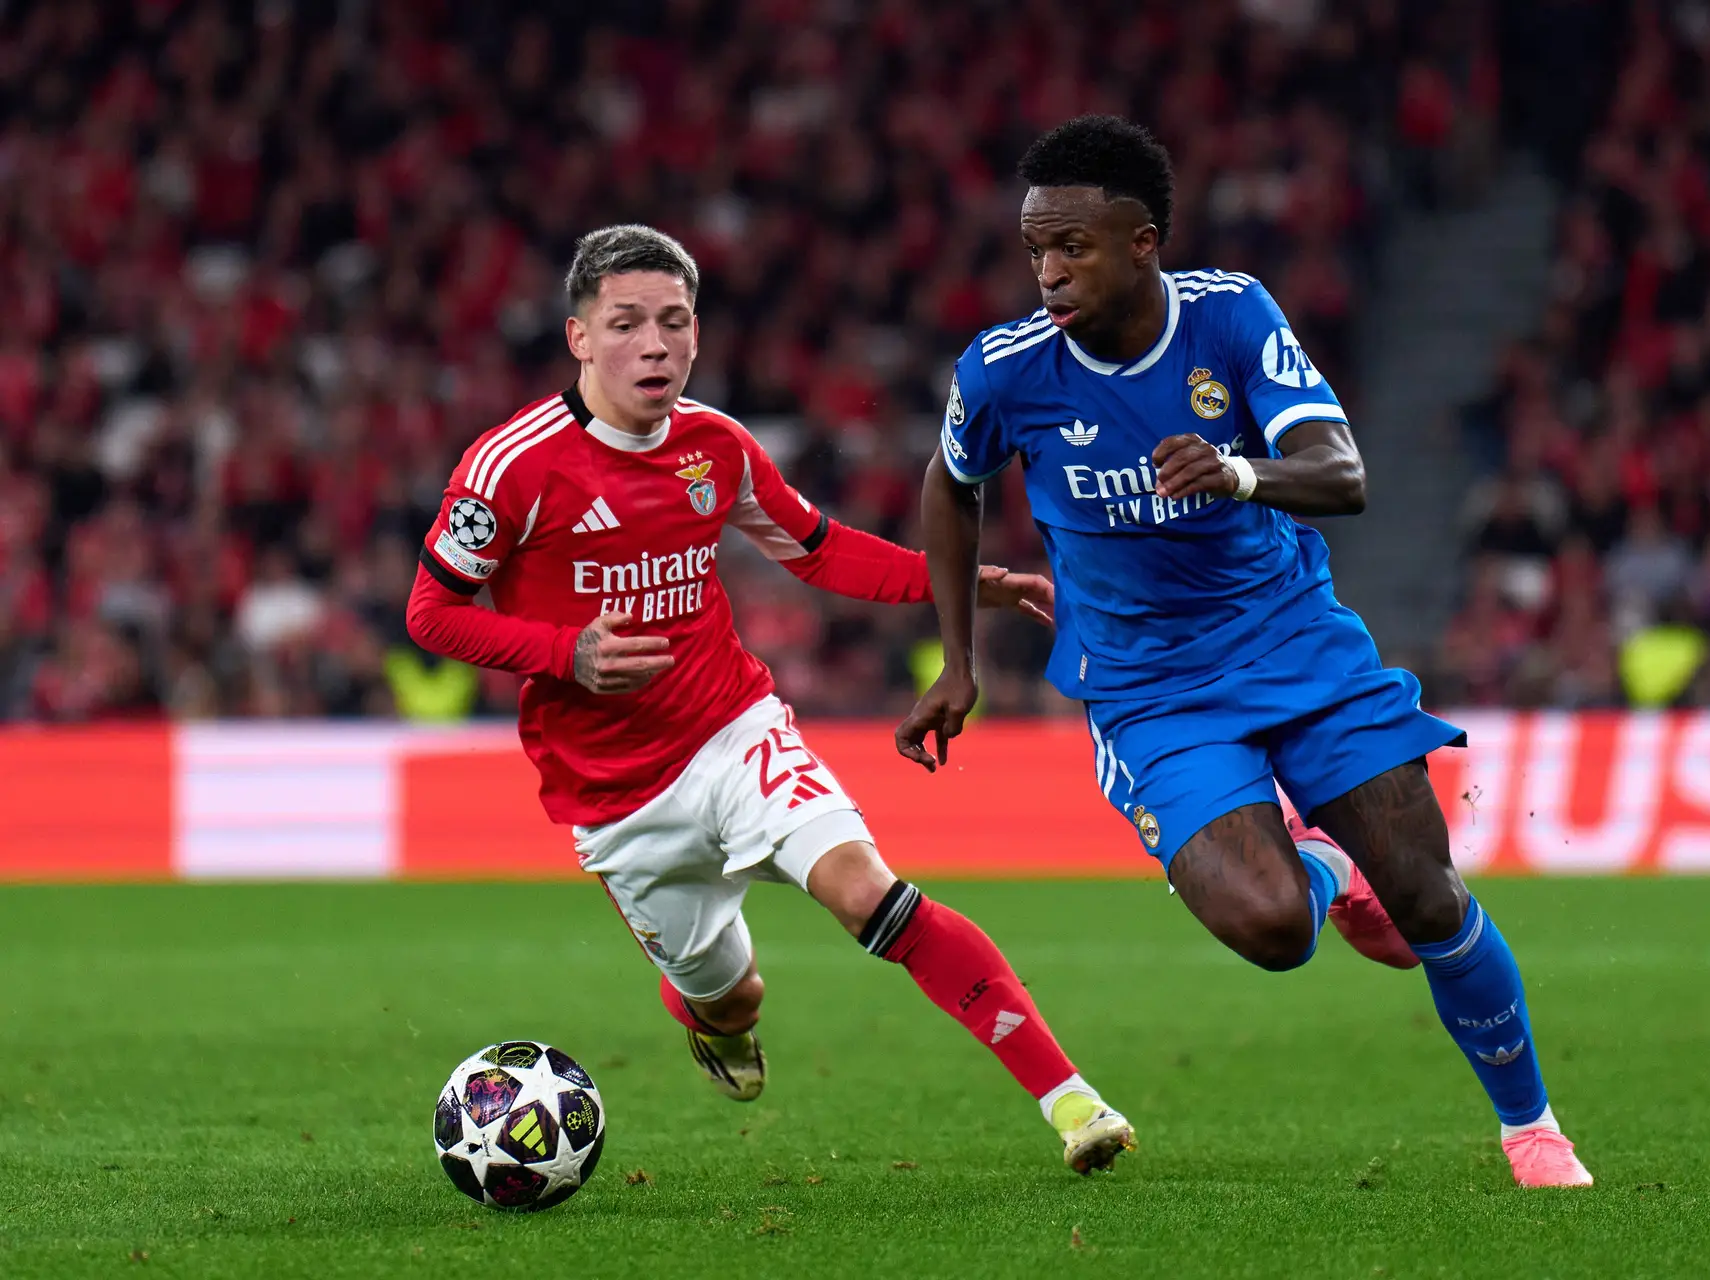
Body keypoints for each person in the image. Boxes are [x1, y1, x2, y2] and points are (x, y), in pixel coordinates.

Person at [898, 117, 1591, 1188]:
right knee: (1274, 928)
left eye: (1071, 246)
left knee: (1427, 897)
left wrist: (1234, 471)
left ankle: (1533, 1129)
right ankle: (1322, 865)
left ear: (1142, 243)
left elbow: (1341, 470)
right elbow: (952, 482)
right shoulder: (1005, 371)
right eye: (1035, 248)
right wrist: (958, 659)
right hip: (1149, 689)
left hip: (1296, 643)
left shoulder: (1230, 317)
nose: (1047, 271)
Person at [407, 224, 1134, 1174]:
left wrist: (966, 580)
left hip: (731, 729)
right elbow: (429, 614)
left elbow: (820, 548)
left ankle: (1072, 1102)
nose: (655, 344)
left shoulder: (717, 447)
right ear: (580, 337)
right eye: (626, 324)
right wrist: (564, 653)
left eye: (674, 322)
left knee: (865, 890)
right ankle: (708, 1015)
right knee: (733, 996)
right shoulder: (512, 467)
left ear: (698, 334)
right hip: (615, 798)